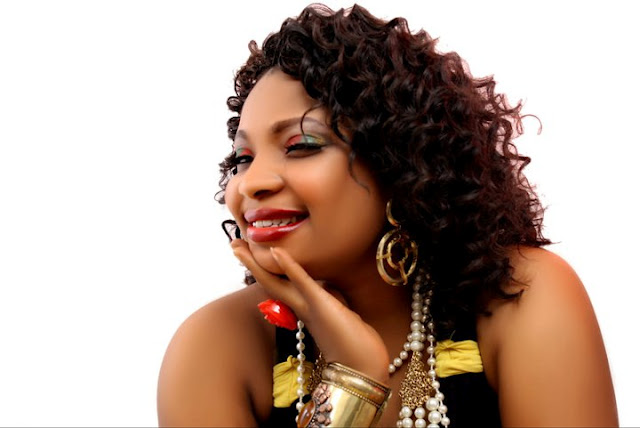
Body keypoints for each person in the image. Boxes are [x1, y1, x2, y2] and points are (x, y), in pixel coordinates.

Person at [157, 4, 617, 427]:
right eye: (243, 158)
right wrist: (349, 383)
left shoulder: (522, 296)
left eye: (301, 146)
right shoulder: (215, 347)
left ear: (400, 165)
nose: (250, 183)